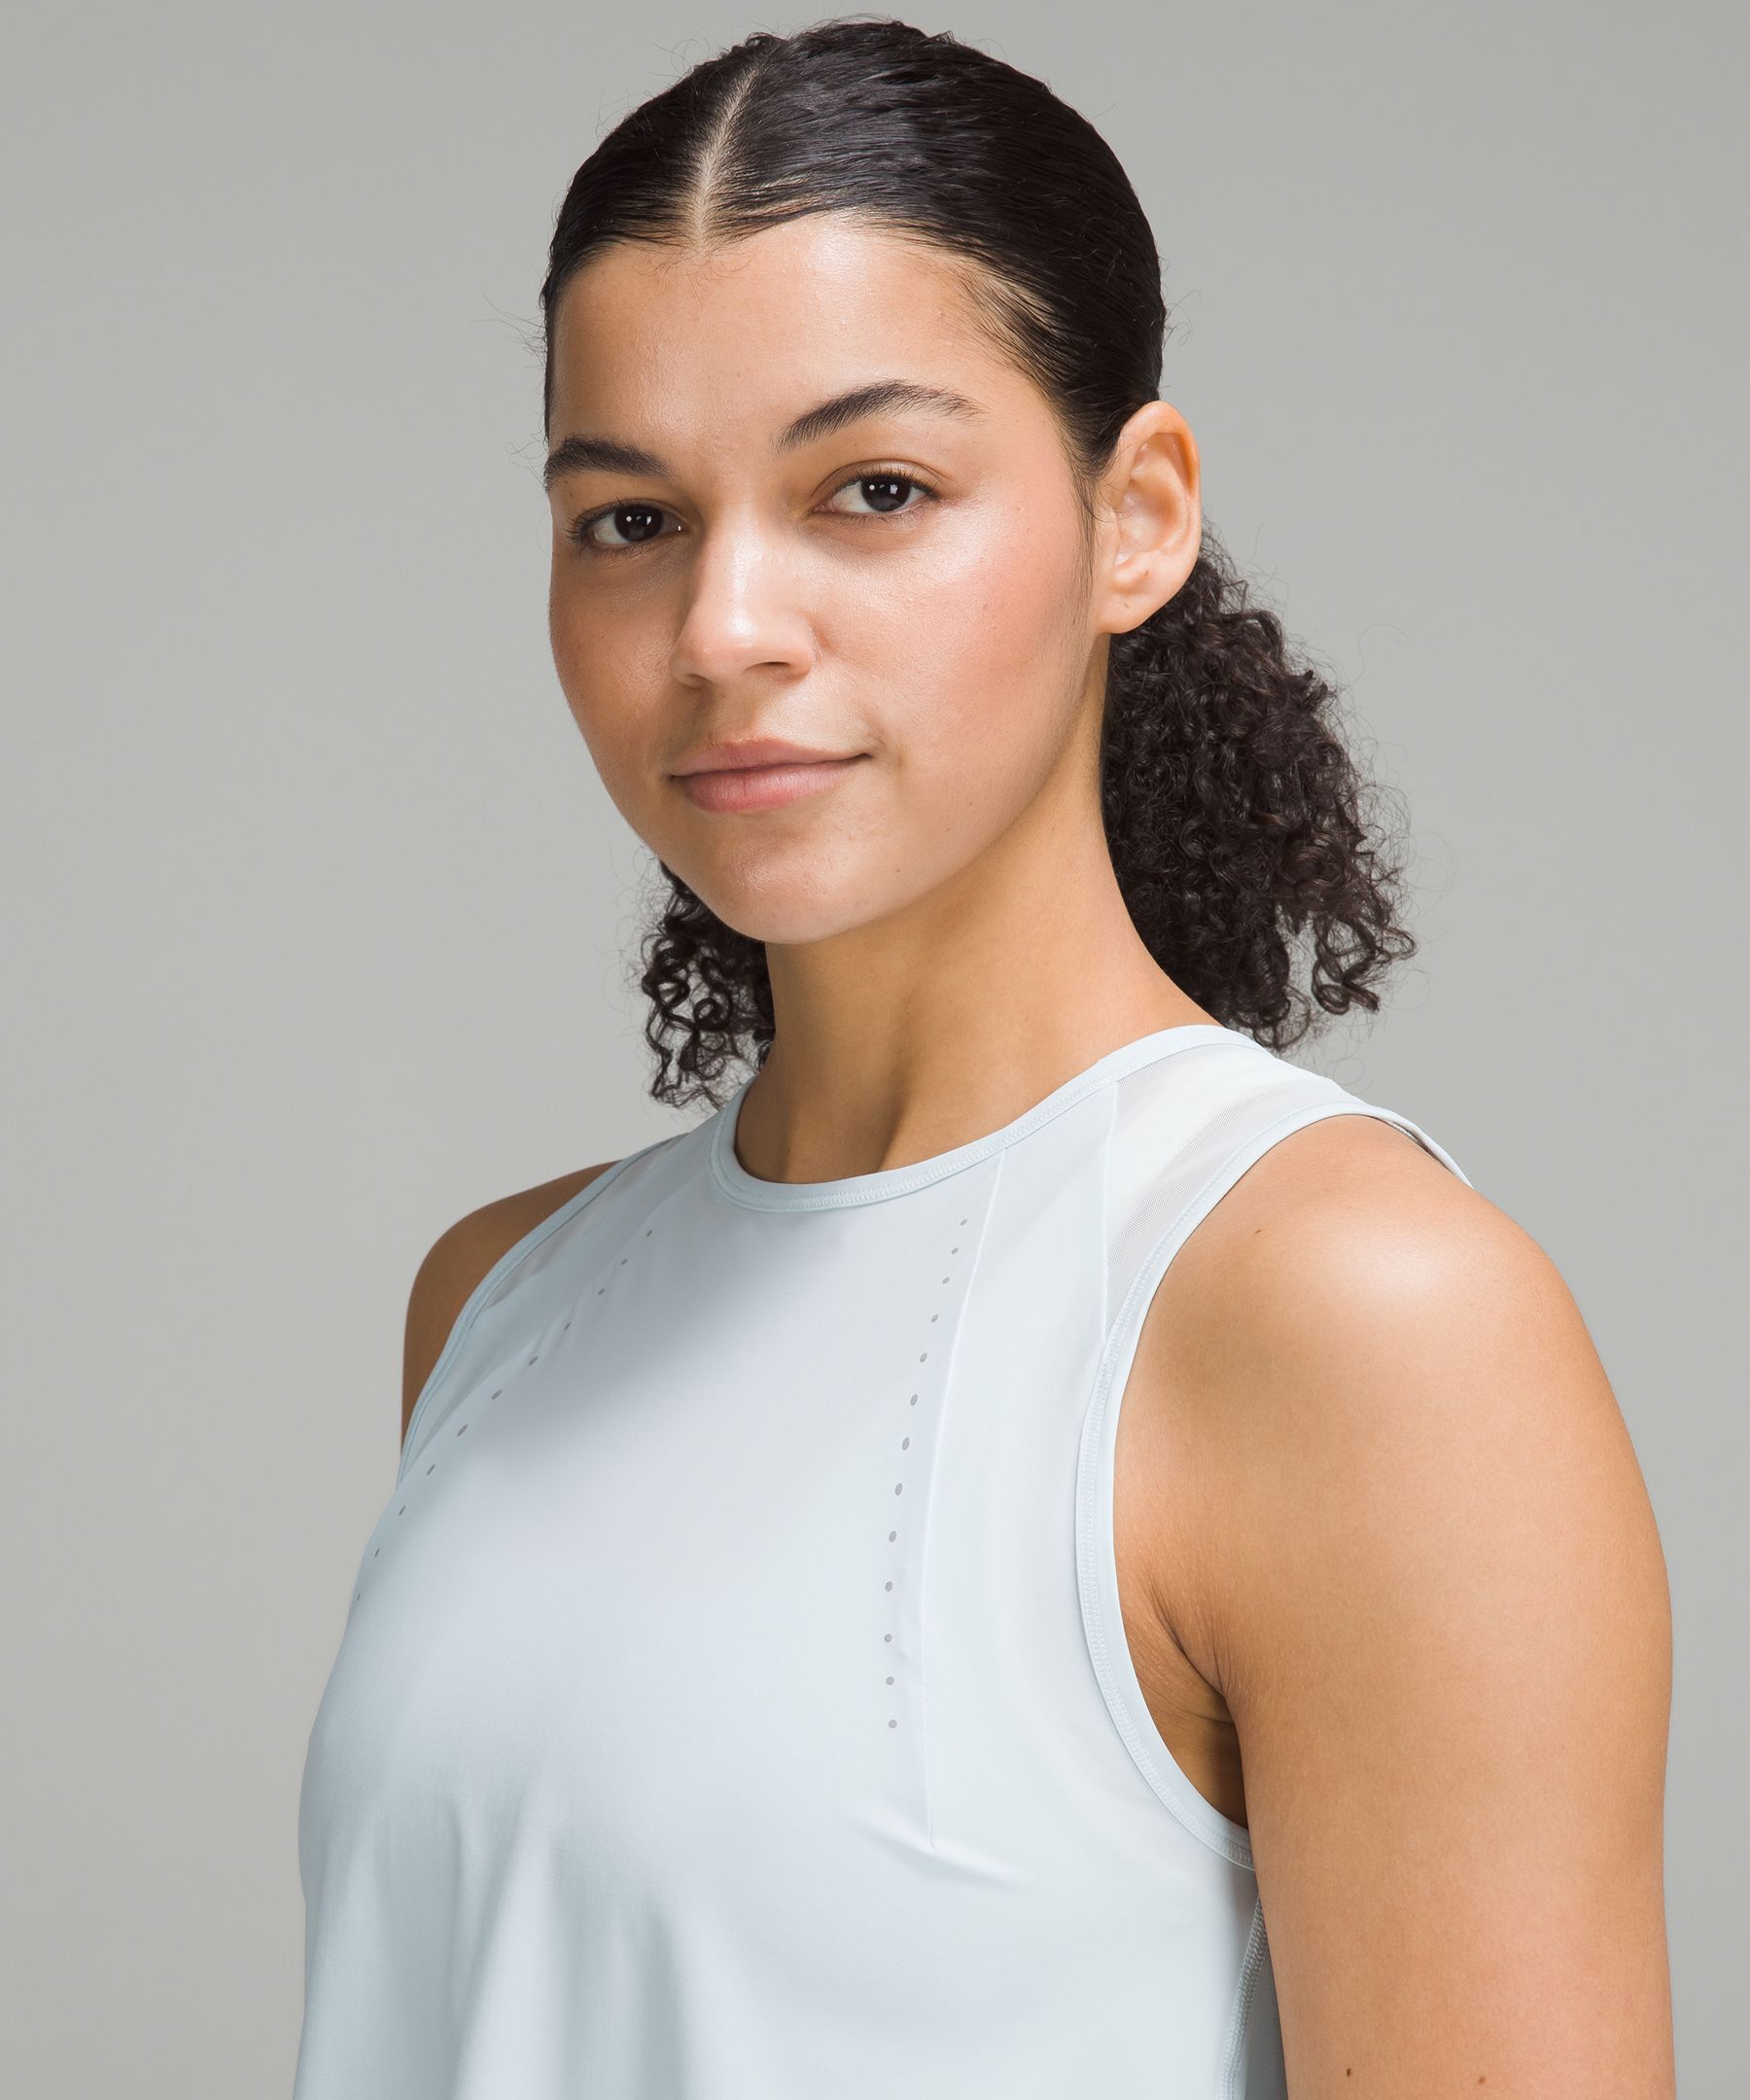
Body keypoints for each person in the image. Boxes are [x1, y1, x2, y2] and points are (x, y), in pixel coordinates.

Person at [292, 19, 1674, 2097]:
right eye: (630, 520)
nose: (725, 626)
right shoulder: (498, 1305)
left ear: (1139, 517)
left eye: (874, 491)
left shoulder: (1355, 1321)